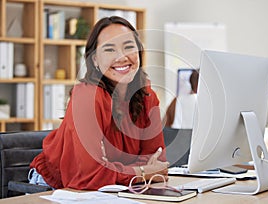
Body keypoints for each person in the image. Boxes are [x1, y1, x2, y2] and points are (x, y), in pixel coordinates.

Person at [29, 16, 169, 190]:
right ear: (94, 60)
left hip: (117, 188)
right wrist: (142, 172)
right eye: (109, 49)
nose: (122, 57)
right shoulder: (87, 96)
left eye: (128, 47)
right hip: (57, 187)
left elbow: (156, 161)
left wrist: (137, 171)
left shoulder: (148, 97)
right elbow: (88, 177)